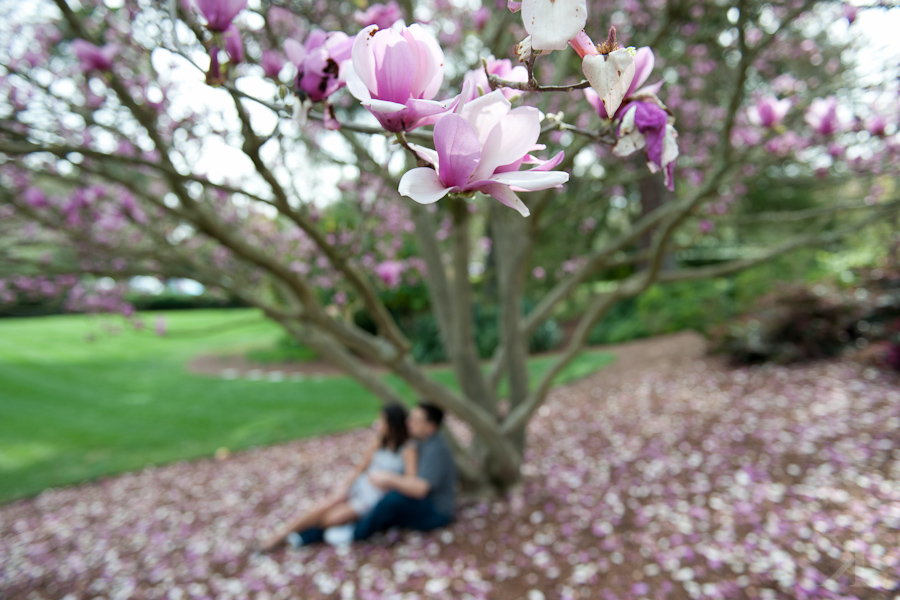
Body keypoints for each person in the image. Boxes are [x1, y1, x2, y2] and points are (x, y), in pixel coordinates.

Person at [259, 403, 415, 551]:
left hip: (374, 498)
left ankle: (303, 535)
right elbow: (360, 468)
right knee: (323, 506)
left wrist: (389, 479)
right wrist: (345, 488)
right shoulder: (379, 442)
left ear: (394, 424)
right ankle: (279, 536)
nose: (379, 424)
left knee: (330, 518)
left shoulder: (408, 449)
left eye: (383, 421)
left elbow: (410, 481)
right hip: (360, 486)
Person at [347, 401, 456, 543]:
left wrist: (389, 479)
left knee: (392, 500)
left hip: (436, 511)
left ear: (430, 427)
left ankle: (356, 534)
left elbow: (421, 489)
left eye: (415, 420)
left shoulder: (436, 449)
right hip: (420, 503)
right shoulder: (417, 443)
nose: (409, 423)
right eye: (410, 418)